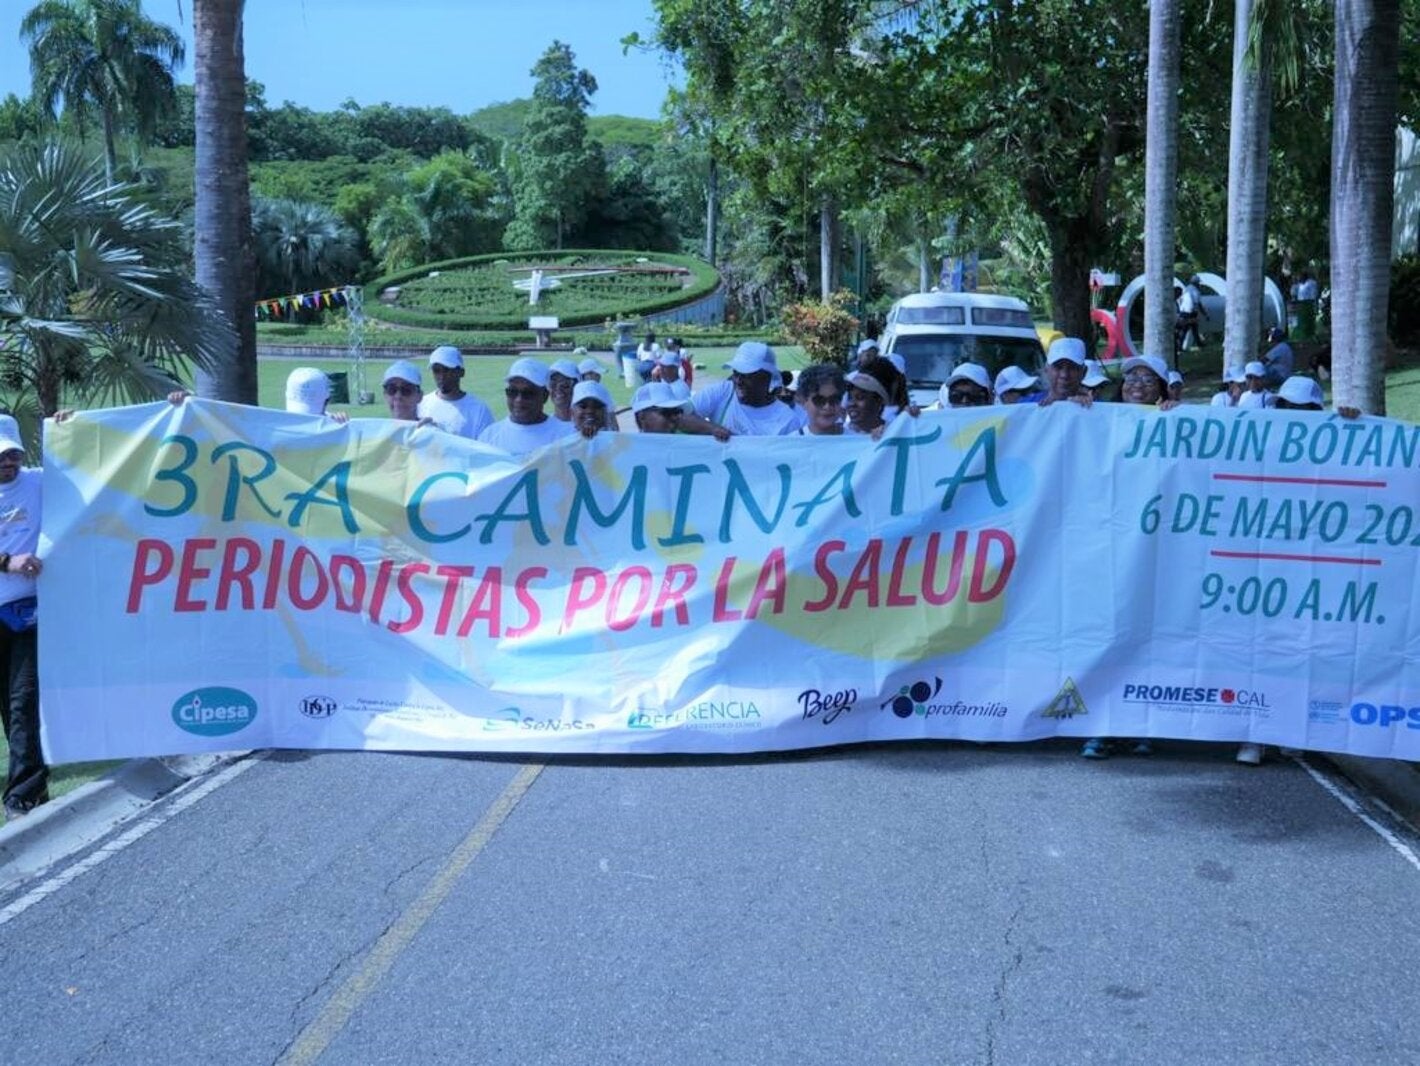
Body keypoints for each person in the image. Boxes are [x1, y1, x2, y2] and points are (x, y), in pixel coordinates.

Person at [0, 415, 45, 821]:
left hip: (30, 611)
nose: (7, 462)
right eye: (0, 457)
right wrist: (6, 561)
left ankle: (24, 795)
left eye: (12, 453)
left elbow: (101, 466)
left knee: (23, 699)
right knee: (7, 702)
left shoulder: (38, 482)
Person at [681, 341, 802, 438]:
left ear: (765, 378)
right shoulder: (724, 391)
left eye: (747, 375)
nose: (738, 381)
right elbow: (679, 416)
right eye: (736, 373)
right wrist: (713, 429)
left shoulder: (787, 421)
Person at [477, 357, 577, 456]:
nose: (519, 399)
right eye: (512, 392)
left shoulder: (569, 436)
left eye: (528, 393)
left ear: (545, 395)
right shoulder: (488, 437)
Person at [415, 346, 493, 439]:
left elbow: (487, 449)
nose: (441, 376)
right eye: (436, 370)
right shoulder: (421, 404)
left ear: (461, 372)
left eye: (447, 370)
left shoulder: (480, 410)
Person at [794, 364, 846, 435]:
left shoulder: (857, 441)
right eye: (819, 400)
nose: (827, 406)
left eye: (834, 399)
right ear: (804, 402)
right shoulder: (790, 443)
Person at [1039, 337, 1092, 407]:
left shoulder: (1098, 408)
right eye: (1058, 367)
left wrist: (1086, 410)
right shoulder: (1027, 405)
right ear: (1046, 370)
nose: (1064, 375)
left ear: (1084, 372)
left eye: (1072, 368)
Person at [845, 366, 892, 438]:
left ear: (878, 401)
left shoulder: (893, 431)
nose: (851, 404)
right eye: (849, 398)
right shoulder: (840, 434)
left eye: (860, 397)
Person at [547, 358, 581, 424]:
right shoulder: (542, 426)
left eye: (565, 384)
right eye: (553, 384)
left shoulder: (586, 427)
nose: (558, 388)